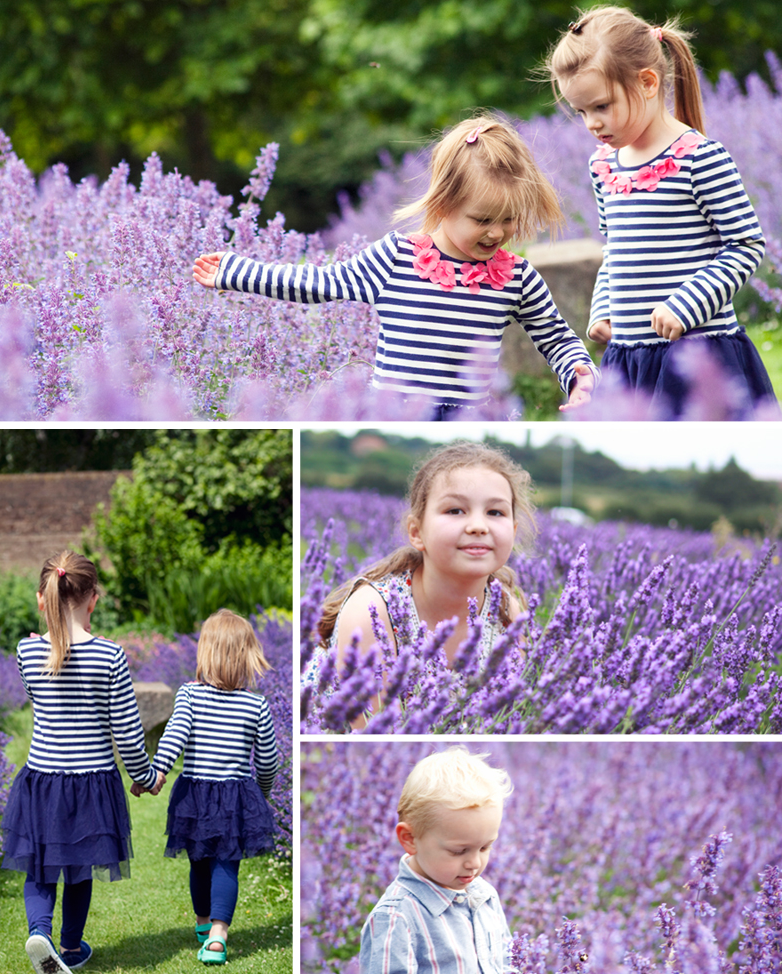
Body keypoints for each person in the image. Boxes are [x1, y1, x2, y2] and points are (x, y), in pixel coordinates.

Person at [193, 114, 598, 419]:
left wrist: (581, 380)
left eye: (508, 219)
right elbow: (319, 283)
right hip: (394, 415)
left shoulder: (516, 278)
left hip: (470, 419)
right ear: (443, 205)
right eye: (482, 220)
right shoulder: (395, 259)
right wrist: (236, 271)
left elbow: (557, 339)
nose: (497, 233)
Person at [546, 6, 778, 418]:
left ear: (648, 82)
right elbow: (614, 249)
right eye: (580, 112)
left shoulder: (699, 158)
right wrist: (605, 308)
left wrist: (687, 305)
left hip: (695, 355)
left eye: (601, 106)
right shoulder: (603, 166)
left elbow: (745, 245)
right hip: (631, 360)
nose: (591, 124)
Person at [0, 550, 164, 974]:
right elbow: (129, 735)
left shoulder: (27, 650)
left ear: (42, 598)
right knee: (79, 869)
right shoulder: (110, 656)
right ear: (94, 599)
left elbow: (36, 691)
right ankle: (70, 947)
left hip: (42, 778)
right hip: (91, 782)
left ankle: (40, 932)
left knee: (40, 865)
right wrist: (147, 778)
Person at [301, 441, 533, 728]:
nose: (478, 525)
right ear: (416, 532)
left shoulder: (506, 609)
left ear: (512, 531)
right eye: (455, 510)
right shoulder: (372, 612)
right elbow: (371, 730)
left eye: (495, 512)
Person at [134, 609, 279, 965]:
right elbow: (269, 760)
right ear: (247, 655)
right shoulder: (255, 704)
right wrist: (262, 791)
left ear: (205, 653)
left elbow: (172, 739)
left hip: (196, 795)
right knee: (227, 865)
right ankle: (217, 934)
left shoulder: (189, 695)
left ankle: (203, 924)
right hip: (236, 794)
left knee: (199, 863)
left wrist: (153, 774)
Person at [359, 746, 514, 974]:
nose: (474, 863)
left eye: (485, 847)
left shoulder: (485, 896)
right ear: (410, 839)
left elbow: (509, 968)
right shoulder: (396, 915)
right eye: (459, 851)